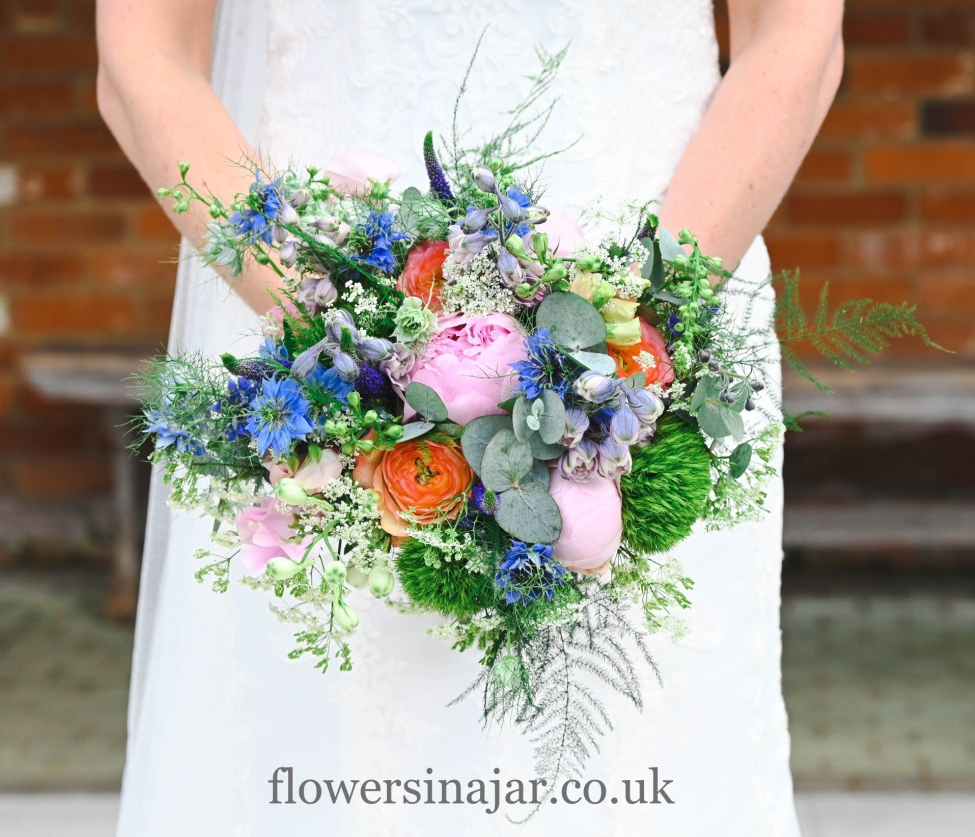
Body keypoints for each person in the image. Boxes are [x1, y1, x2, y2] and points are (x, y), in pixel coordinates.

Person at [98, 1, 843, 834]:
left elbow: (798, 33)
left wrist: (634, 328)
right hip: (304, 305)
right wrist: (342, 334)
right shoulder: (326, 330)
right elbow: (143, 54)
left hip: (668, 298)